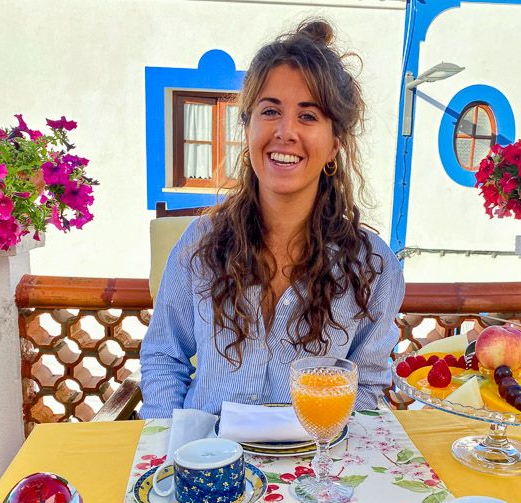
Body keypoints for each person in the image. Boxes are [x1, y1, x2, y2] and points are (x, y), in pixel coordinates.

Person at [139, 19, 404, 418]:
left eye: (308, 116)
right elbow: (164, 355)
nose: (285, 131)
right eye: (270, 111)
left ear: (335, 144)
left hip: (315, 454)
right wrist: (170, 440)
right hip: (208, 453)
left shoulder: (373, 267)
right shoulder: (200, 242)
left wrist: (327, 448)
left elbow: (364, 387)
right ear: (247, 128)